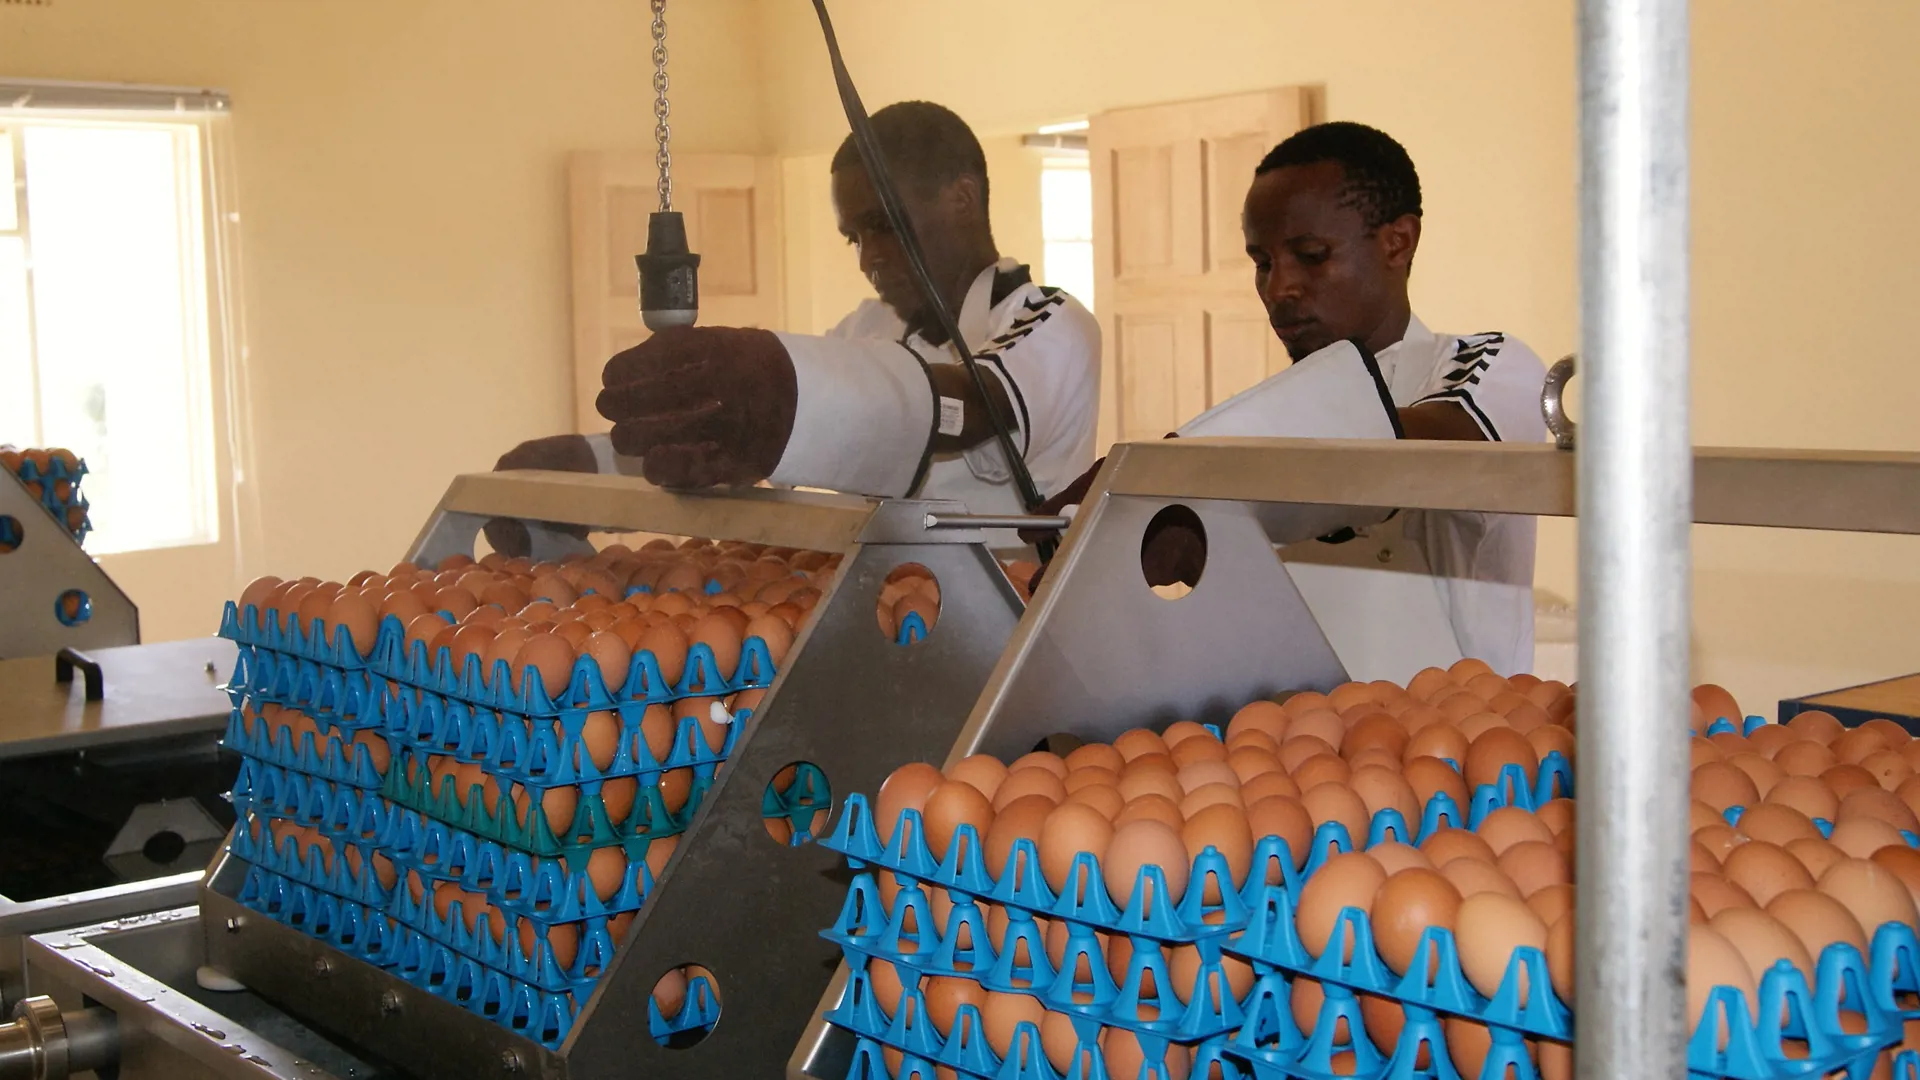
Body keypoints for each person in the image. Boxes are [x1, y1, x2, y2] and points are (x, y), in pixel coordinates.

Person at [1030, 122, 1547, 677]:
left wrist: (1181, 471)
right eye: (1263, 263)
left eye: (1311, 255)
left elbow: (1409, 456)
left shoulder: (1488, 366)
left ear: (1398, 241)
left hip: (1464, 738)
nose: (1279, 289)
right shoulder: (1267, 417)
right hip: (1303, 746)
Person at [488, 101, 1099, 554]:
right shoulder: (870, 328)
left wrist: (788, 394)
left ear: (962, 198)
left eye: (883, 225)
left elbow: (972, 401)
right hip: (886, 620)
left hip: (1009, 631)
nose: (868, 258)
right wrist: (591, 464)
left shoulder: (1048, 322)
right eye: (853, 238)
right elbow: (746, 439)